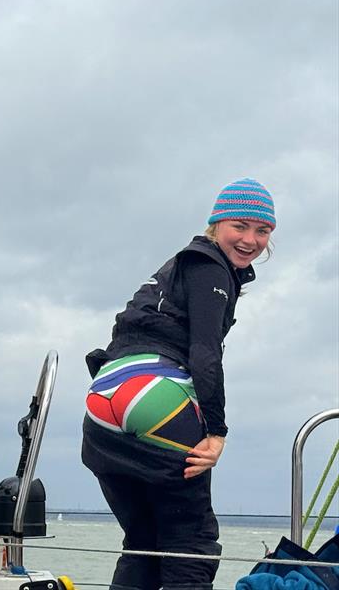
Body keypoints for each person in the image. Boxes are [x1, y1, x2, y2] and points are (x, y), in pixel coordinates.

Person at [81, 179, 276, 589]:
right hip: (155, 391)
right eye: (239, 226)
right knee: (192, 543)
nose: (250, 239)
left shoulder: (175, 268)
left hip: (105, 395)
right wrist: (218, 432)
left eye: (263, 231)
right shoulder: (209, 267)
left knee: (144, 541)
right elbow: (204, 353)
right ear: (216, 223)